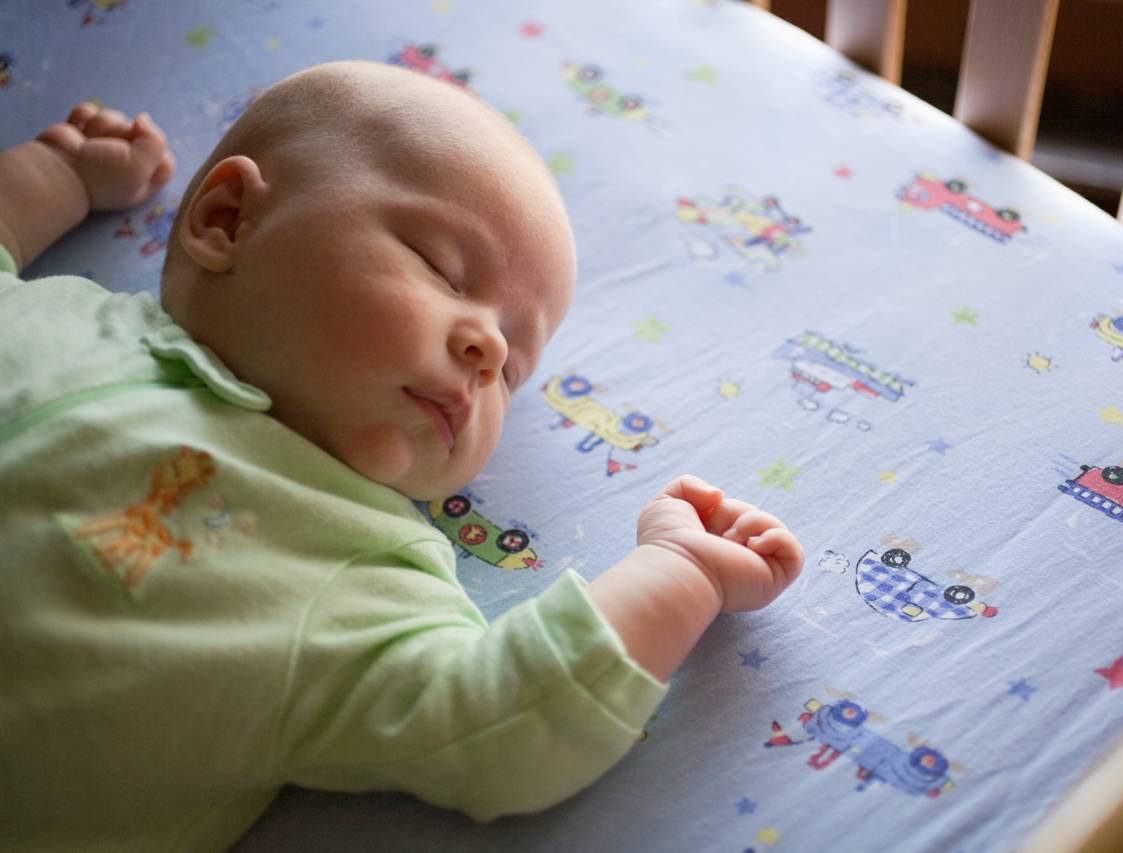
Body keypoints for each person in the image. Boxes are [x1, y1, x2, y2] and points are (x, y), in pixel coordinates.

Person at [0, 61, 804, 851]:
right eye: (442, 268)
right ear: (228, 220)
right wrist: (61, 172)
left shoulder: (358, 559)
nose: (489, 349)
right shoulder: (70, 320)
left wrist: (681, 568)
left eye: (514, 371)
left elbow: (500, 724)